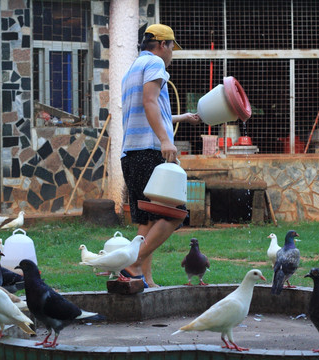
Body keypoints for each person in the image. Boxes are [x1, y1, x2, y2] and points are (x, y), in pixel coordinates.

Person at [120, 24, 200, 288]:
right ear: (163, 45)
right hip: (149, 150)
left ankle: (143, 277)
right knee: (174, 215)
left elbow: (147, 108)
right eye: (171, 48)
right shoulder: (155, 64)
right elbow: (150, 102)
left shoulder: (132, 69)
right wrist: (166, 140)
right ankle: (131, 265)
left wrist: (183, 118)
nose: (172, 55)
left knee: (148, 219)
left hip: (130, 152)